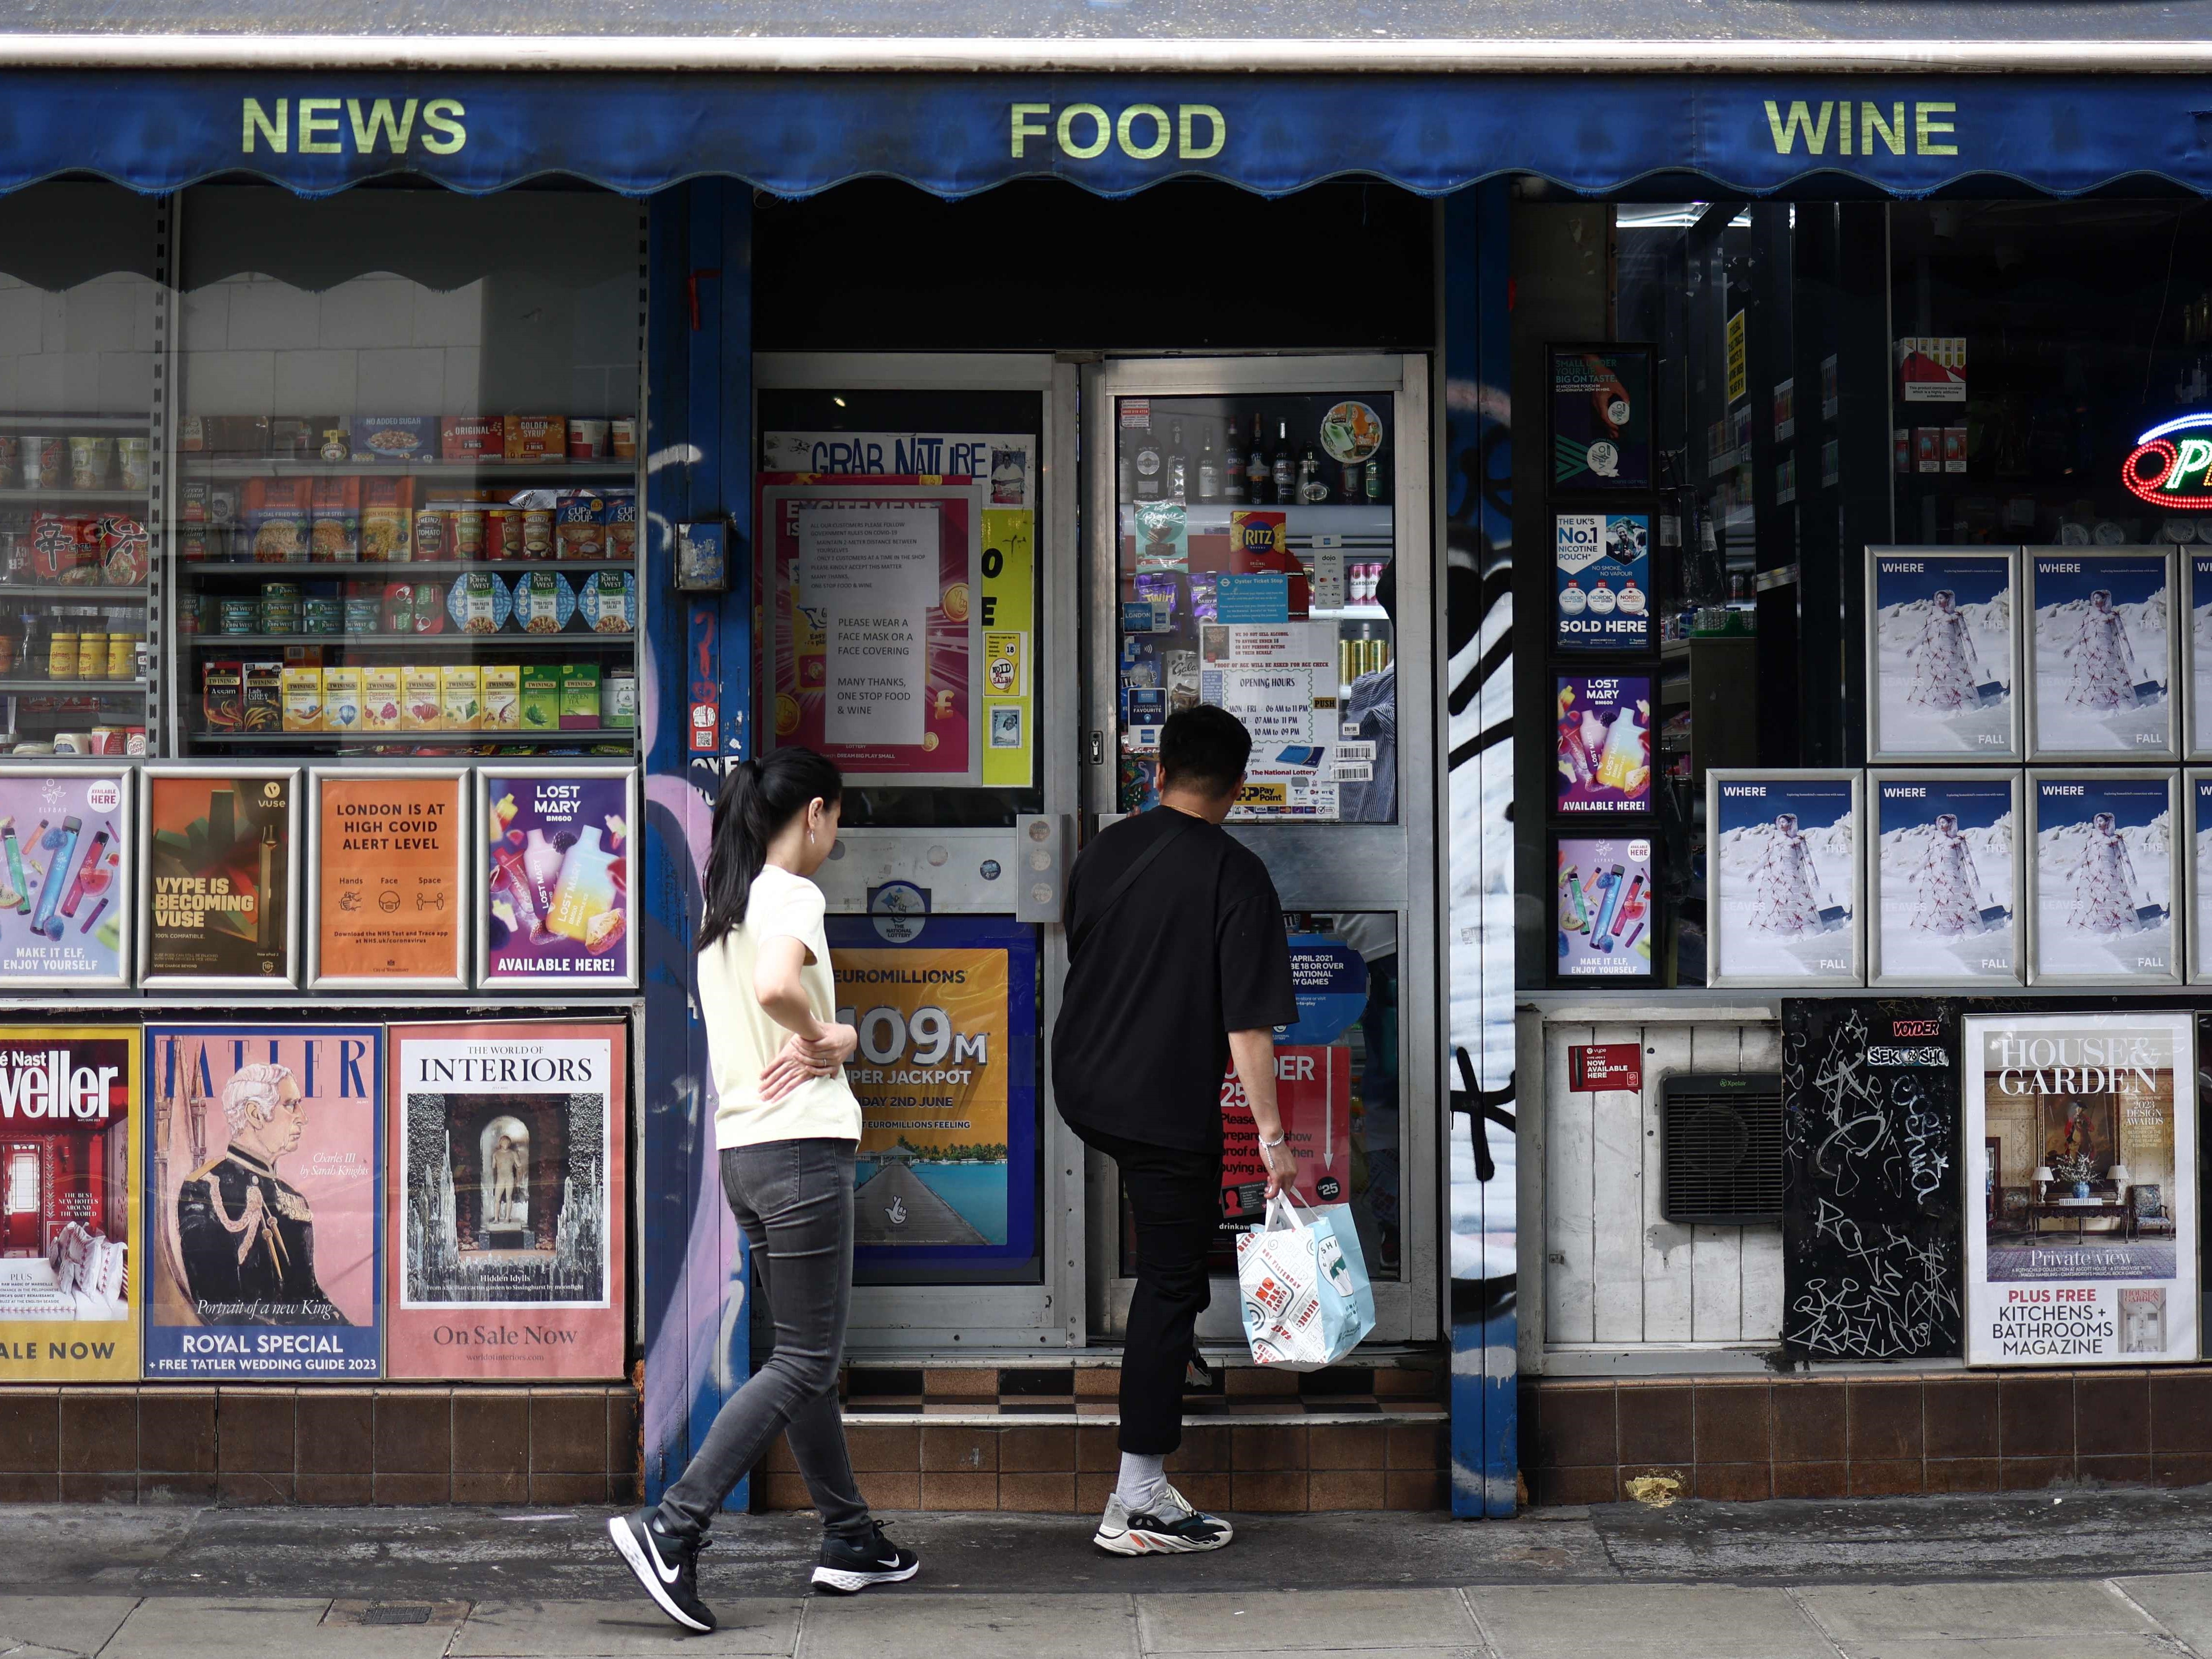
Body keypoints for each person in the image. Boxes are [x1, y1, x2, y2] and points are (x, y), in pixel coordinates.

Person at [609, 747, 917, 1634]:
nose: (836, 836)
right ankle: (674, 1526)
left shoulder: (727, 905)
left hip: (746, 1153)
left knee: (801, 1356)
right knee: (807, 1359)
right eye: (837, 818)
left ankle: (849, 1536)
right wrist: (831, 1035)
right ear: (814, 811)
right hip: (800, 1150)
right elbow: (779, 985)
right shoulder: (791, 895)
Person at [1054, 704, 1299, 1556]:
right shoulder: (1236, 873)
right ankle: (1137, 1499)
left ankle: (1168, 1363)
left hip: (1084, 1082)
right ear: (1239, 787)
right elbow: (1249, 1028)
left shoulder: (1103, 850)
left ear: (1157, 773)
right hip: (1159, 1105)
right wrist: (1272, 1136)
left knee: (1171, 1257)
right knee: (1170, 1284)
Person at [175, 1062, 345, 1326]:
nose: (303, 1117)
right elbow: (219, 1310)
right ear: (255, 1114)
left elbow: (310, 1299)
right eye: (290, 1105)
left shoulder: (294, 1199)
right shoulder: (204, 1189)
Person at [1907, 811, 1988, 937]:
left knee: (1954, 902)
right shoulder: (1935, 842)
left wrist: (1974, 878)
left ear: (1951, 824)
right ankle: (1942, 930)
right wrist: (1915, 873)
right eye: (1939, 823)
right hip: (1938, 879)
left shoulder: (1958, 841)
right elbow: (1926, 859)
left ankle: (1959, 929)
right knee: (1940, 904)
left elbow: (1968, 860)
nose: (1941, 825)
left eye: (1944, 822)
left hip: (1955, 879)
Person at [2067, 809, 2141, 937]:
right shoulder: (2092, 841)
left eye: (2101, 821)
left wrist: (2131, 876)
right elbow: (2083, 857)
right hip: (2095, 878)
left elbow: (2125, 858)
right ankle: (2098, 928)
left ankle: (2116, 928)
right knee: (2097, 902)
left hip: (2113, 877)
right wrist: (2072, 871)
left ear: (2108, 822)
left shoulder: (2115, 839)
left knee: (2111, 901)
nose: (2098, 823)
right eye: (2096, 822)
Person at [1905, 588, 1982, 711]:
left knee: (1951, 677)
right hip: (1935, 655)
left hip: (1953, 654)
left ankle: (1956, 704)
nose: (1938, 601)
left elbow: (1966, 635)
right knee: (1938, 679)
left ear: (1949, 599)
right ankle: (1940, 706)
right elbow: (1923, 634)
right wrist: (1912, 647)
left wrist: (1971, 653)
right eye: (1937, 599)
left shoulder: (1956, 617)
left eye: (1941, 598)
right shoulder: (1932, 618)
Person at [2067, 588, 2140, 709]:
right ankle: (2097, 705)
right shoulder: (2089, 618)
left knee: (2108, 678)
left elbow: (2122, 635)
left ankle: (2112, 704)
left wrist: (2128, 652)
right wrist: (2070, 647)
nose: (2095, 601)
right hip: (2093, 655)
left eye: (2098, 598)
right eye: (2093, 599)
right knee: (2094, 680)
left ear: (2105, 599)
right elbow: (2080, 634)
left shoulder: (2113, 616)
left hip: (2109, 655)